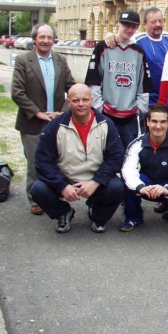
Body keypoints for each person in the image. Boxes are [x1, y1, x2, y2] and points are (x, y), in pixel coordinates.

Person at [31, 84, 126, 233]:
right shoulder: (55, 126)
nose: (81, 104)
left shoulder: (106, 124)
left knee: (118, 187)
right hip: (65, 178)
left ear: (92, 100)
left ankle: (97, 215)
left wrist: (96, 182)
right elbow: (42, 161)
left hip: (95, 179)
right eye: (75, 100)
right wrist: (62, 185)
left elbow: (116, 158)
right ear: (69, 102)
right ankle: (63, 213)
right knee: (38, 189)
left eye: (85, 100)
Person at [11, 23, 76, 215]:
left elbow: (72, 88)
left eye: (49, 37)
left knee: (57, 161)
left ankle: (53, 195)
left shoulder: (60, 60)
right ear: (35, 39)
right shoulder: (24, 60)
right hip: (32, 122)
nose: (46, 41)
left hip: (56, 121)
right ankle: (35, 198)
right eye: (42, 37)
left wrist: (64, 112)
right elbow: (17, 92)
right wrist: (37, 112)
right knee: (34, 163)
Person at [85, 10, 153, 148]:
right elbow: (93, 80)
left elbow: (143, 84)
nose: (129, 29)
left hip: (130, 116)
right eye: (126, 25)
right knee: (103, 151)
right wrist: (99, 108)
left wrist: (139, 109)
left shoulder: (138, 52)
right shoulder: (103, 47)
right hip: (106, 113)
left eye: (133, 26)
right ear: (119, 24)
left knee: (128, 152)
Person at [120, 104, 168, 232]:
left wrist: (167, 189)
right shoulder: (136, 144)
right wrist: (140, 187)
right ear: (147, 122)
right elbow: (128, 171)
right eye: (154, 121)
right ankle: (133, 217)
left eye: (163, 122)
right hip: (147, 185)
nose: (158, 126)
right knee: (125, 180)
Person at [104, 7, 168, 106]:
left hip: (167, 99)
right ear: (145, 24)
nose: (158, 24)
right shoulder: (137, 40)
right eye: (153, 22)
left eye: (160, 21)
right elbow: (121, 40)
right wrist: (110, 35)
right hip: (146, 100)